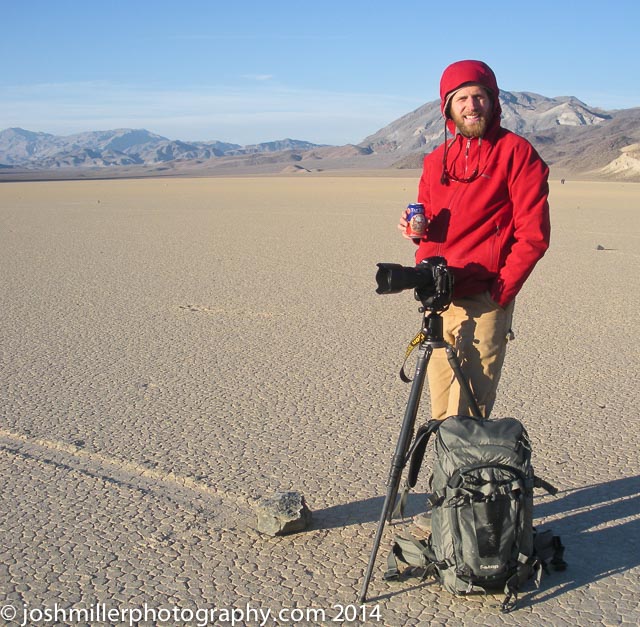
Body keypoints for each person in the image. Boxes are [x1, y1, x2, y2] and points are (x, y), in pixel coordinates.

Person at [398, 59, 550, 422]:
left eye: (479, 96)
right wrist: (415, 232)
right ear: (448, 106)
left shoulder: (516, 153)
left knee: (468, 408)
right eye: (462, 98)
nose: (471, 105)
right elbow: (432, 227)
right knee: (440, 410)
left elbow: (534, 235)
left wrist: (500, 293)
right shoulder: (436, 160)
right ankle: (448, 479)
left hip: (485, 297)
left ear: (493, 101)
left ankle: (468, 479)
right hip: (440, 298)